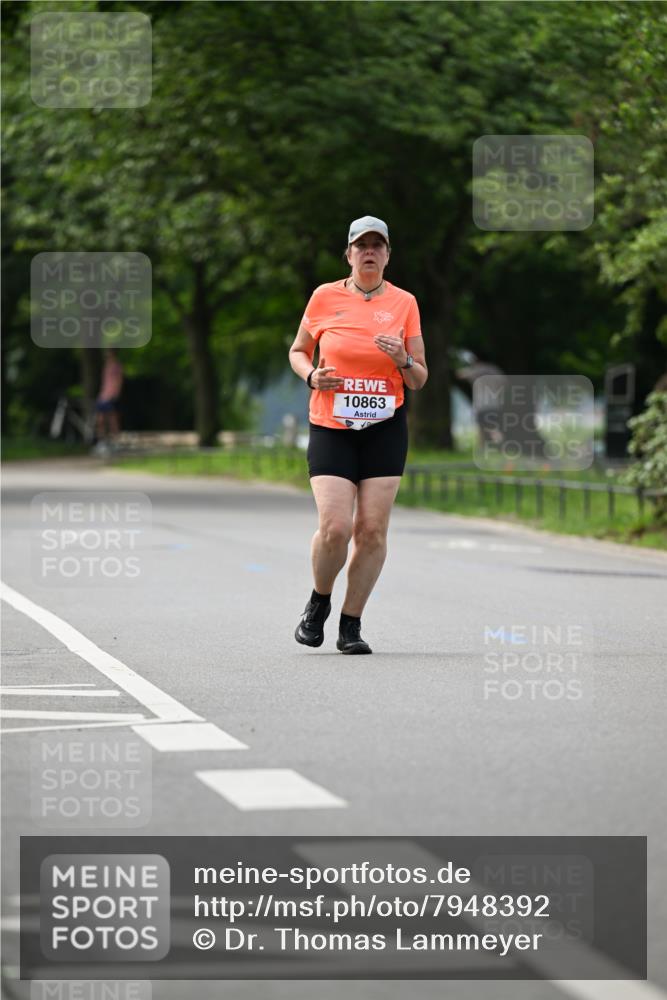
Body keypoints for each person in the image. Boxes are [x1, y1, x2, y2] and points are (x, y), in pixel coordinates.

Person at [288, 215, 428, 654]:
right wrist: (312, 376)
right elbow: (297, 351)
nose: (369, 251)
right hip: (331, 426)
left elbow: (420, 377)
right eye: (361, 245)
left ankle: (351, 624)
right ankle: (318, 602)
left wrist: (404, 358)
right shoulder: (324, 297)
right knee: (335, 528)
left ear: (388, 255)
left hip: (384, 428)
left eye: (377, 245)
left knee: (371, 530)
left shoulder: (405, 303)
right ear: (348, 253)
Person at [95, 348, 124, 442]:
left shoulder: (117, 365)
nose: (106, 354)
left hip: (110, 395)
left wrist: (115, 393)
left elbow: (119, 381)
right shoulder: (106, 365)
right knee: (100, 420)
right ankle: (102, 441)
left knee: (112, 419)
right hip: (103, 395)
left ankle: (116, 440)